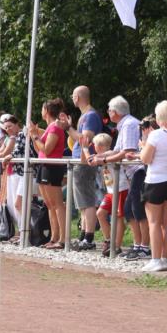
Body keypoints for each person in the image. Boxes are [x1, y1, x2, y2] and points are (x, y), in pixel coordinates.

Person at [91, 96, 145, 259]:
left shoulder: (128, 125)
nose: (107, 112)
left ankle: (139, 246)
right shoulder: (125, 125)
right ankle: (136, 245)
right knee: (130, 211)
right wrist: (99, 157)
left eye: (109, 110)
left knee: (132, 212)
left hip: (135, 172)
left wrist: (104, 159)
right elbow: (118, 150)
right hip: (130, 175)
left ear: (114, 112)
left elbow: (126, 150)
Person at [137, 101, 167, 272]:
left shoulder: (155, 135)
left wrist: (144, 145)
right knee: (166, 222)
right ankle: (165, 257)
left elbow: (145, 159)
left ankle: (155, 259)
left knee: (154, 222)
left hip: (155, 181)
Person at [66, 86, 104, 251]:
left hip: (84, 163)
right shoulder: (85, 115)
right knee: (82, 202)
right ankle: (84, 236)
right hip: (80, 162)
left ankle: (89, 238)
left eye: (73, 95)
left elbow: (85, 140)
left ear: (78, 97)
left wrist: (68, 128)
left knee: (87, 200)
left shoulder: (90, 116)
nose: (72, 98)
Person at [29, 98, 67, 249]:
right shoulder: (50, 127)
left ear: (47, 111)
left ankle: (62, 239)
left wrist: (35, 136)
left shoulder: (55, 127)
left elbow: (47, 149)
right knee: (49, 205)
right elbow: (40, 150)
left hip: (52, 167)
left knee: (57, 204)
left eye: (42, 108)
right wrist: (34, 135)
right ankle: (54, 237)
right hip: (44, 165)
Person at [92, 132, 129, 257]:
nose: (94, 147)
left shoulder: (110, 153)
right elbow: (89, 160)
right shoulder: (100, 156)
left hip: (120, 188)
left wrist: (90, 151)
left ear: (101, 146)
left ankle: (116, 246)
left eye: (95, 145)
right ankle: (108, 240)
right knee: (100, 213)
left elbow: (111, 154)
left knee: (118, 218)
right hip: (110, 191)